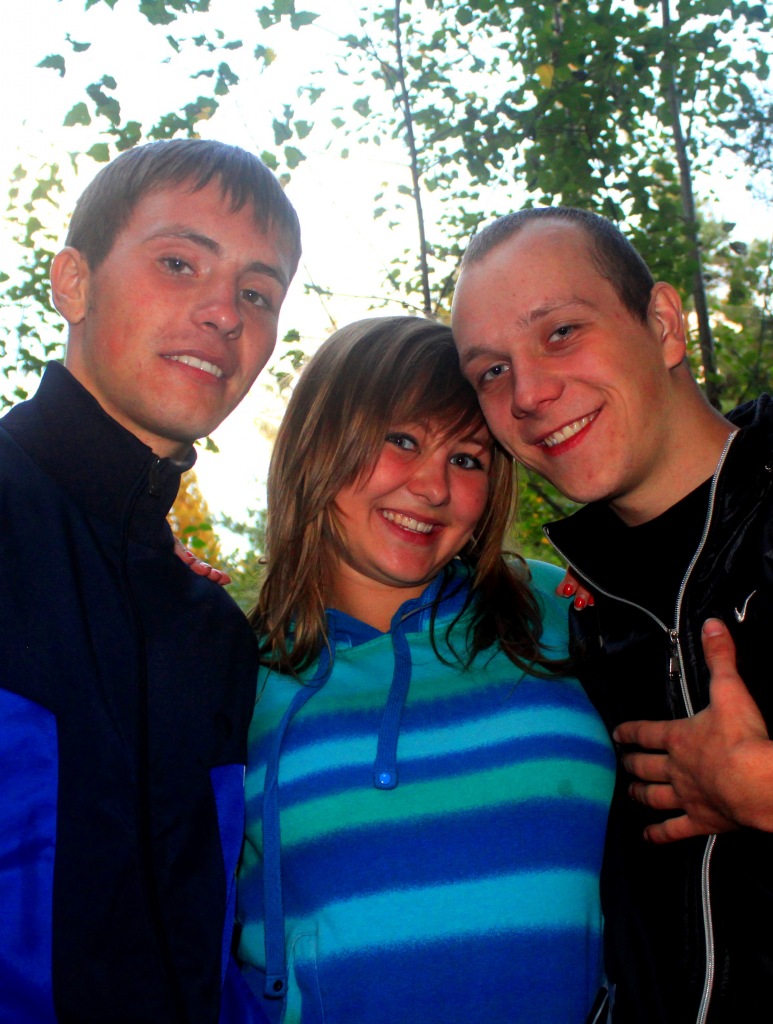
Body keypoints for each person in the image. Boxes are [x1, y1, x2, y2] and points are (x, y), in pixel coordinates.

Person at [234, 315, 615, 1024]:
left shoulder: (557, 608)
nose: (433, 487)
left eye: (467, 459)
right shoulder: (231, 673)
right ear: (318, 440)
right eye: (402, 440)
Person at [0, 138, 300, 1023]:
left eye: (257, 293)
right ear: (74, 282)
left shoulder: (210, 630)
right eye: (178, 263)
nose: (224, 312)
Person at [451, 205, 773, 1022]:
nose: (528, 393)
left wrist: (759, 788)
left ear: (662, 324)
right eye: (491, 371)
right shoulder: (577, 622)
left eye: (560, 332)